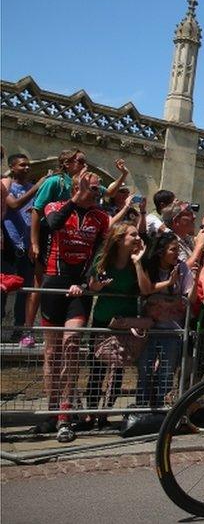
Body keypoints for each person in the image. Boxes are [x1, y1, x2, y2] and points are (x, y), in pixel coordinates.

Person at [39, 170, 111, 441]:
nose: (97, 193)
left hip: (78, 288)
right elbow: (53, 224)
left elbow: (100, 254)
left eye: (98, 190)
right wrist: (75, 200)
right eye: (93, 189)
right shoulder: (56, 205)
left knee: (71, 346)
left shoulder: (101, 217)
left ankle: (65, 414)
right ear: (77, 188)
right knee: (51, 353)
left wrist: (85, 280)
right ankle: (49, 410)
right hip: (53, 283)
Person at [85, 221, 146, 426]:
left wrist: (137, 262)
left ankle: (105, 413)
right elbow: (92, 286)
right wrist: (99, 284)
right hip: (103, 320)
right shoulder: (103, 260)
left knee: (117, 370)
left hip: (123, 322)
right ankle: (90, 413)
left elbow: (144, 288)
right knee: (97, 370)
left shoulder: (136, 261)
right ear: (120, 239)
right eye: (133, 235)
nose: (138, 238)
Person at [137, 231, 193, 407]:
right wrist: (168, 283)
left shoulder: (182, 268)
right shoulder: (150, 267)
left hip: (172, 329)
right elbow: (146, 289)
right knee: (145, 371)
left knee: (166, 372)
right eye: (173, 250)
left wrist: (195, 276)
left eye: (178, 250)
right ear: (161, 252)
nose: (177, 254)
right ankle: (142, 406)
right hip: (150, 328)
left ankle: (160, 408)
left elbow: (188, 296)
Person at [1, 153, 47, 346]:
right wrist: (37, 187)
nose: (27, 168)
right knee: (3, 287)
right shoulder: (7, 185)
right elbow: (13, 204)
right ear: (12, 167)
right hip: (9, 246)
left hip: (27, 248)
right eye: (22, 165)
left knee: (25, 290)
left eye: (28, 165)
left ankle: (20, 331)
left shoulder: (31, 188)